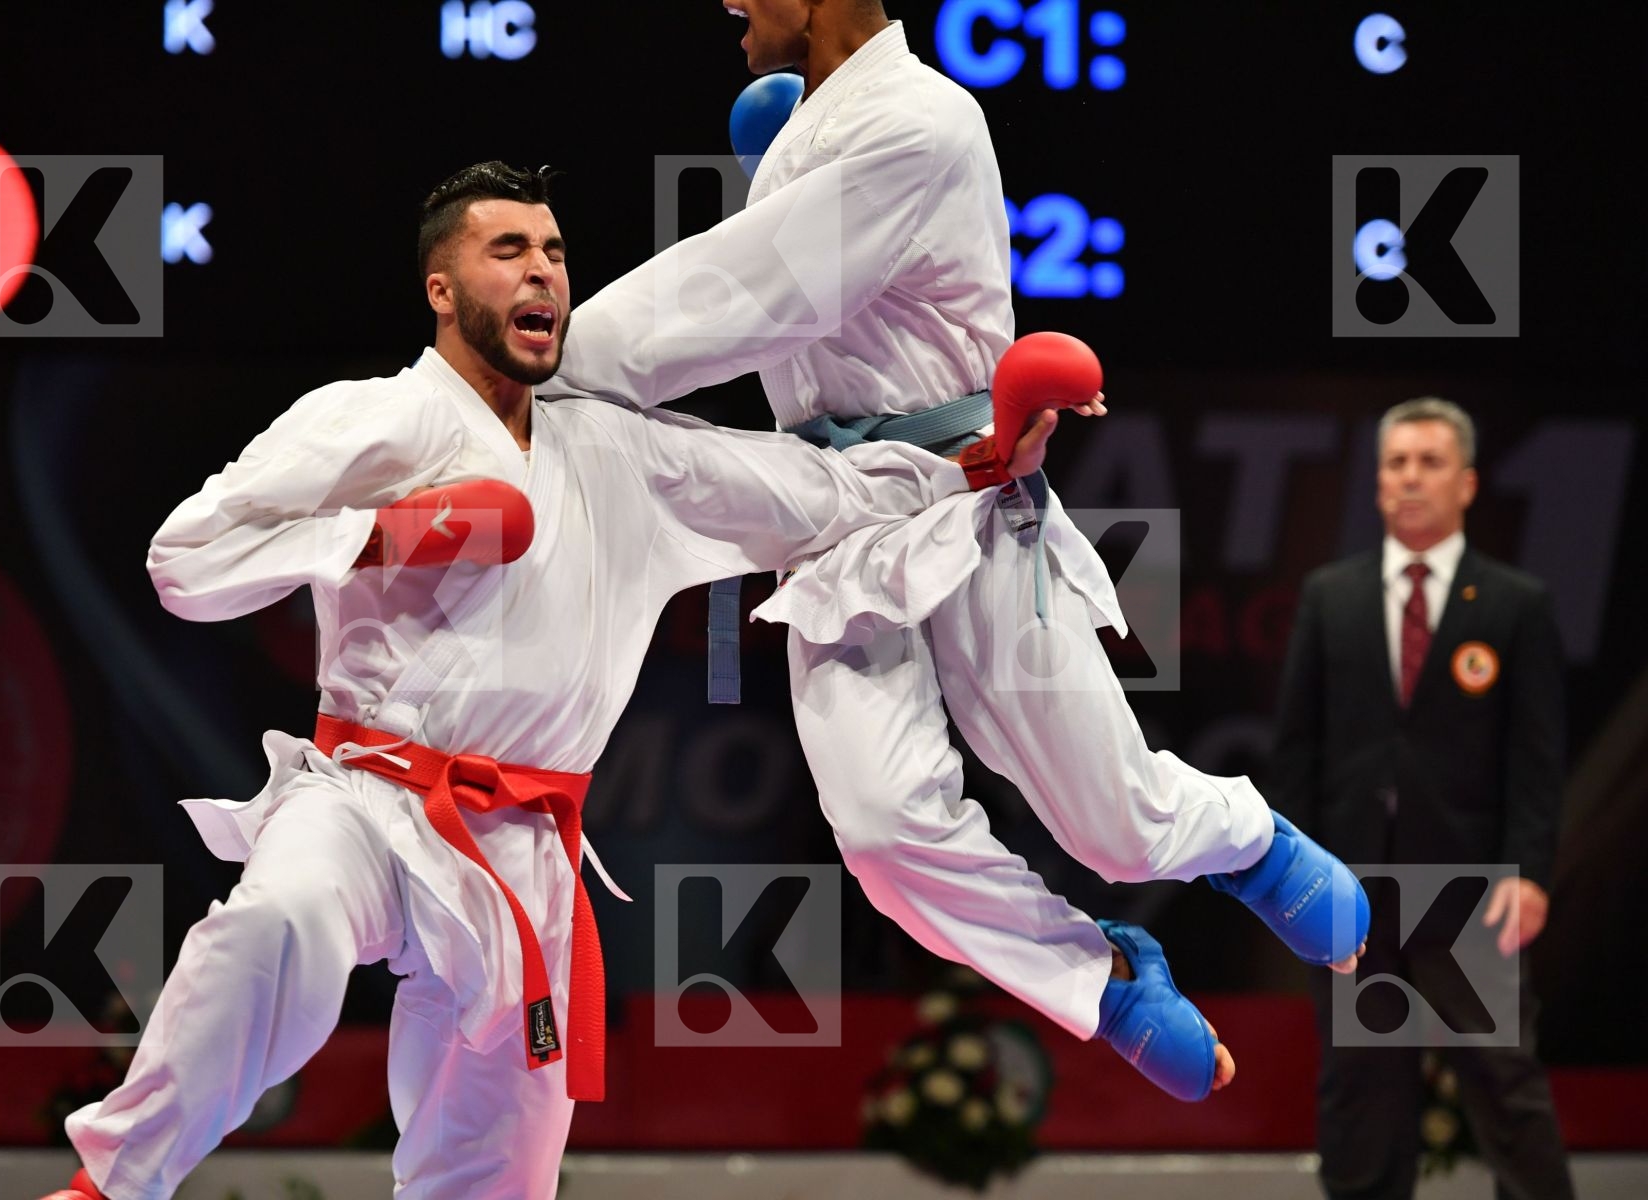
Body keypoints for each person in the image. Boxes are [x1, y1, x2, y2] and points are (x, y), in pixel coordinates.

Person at [39, 161, 1050, 1200]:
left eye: (557, 253)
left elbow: (817, 493)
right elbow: (185, 560)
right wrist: (388, 533)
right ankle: (111, 1185)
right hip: (368, 796)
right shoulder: (374, 419)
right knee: (281, 916)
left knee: (498, 1175)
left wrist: (977, 462)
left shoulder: (623, 454)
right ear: (441, 288)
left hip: (527, 849)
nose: (544, 273)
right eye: (510, 250)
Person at [550, 0, 1366, 1100]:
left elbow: (734, 298)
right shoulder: (808, 127)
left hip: (968, 495)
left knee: (1116, 823)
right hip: (839, 518)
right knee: (884, 839)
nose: (731, 0)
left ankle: (1252, 842)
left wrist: (546, 356)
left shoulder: (923, 122)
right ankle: (1105, 974)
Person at [1271, 398, 1574, 1199]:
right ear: (1377, 484)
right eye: (1396, 463)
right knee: (1362, 1093)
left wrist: (1530, 873)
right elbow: (1296, 751)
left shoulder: (1513, 603)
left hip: (1473, 891)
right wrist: (1295, 878)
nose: (1410, 478)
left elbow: (1537, 759)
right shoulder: (1330, 596)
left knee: (1504, 1085)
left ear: (1466, 483)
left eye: (1430, 462)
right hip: (1353, 893)